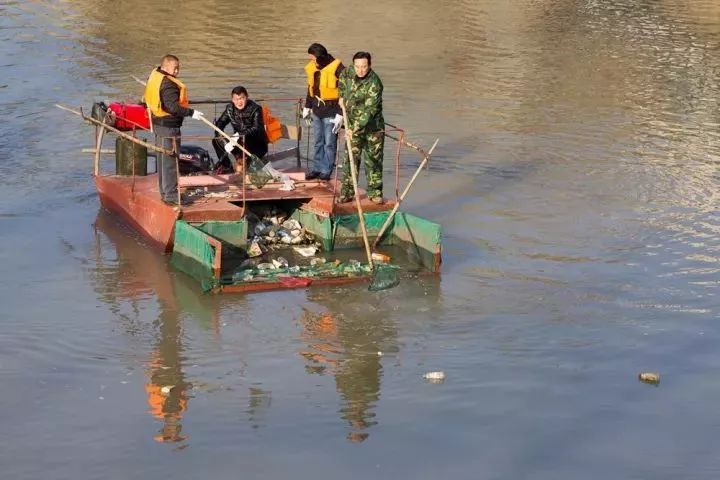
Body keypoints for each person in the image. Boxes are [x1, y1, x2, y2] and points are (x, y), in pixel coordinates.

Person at [144, 54, 205, 204]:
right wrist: (191, 113)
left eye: (178, 68)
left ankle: (165, 192)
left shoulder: (156, 76)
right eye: (175, 68)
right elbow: (172, 107)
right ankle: (171, 196)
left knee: (162, 160)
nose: (177, 71)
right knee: (170, 161)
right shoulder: (169, 84)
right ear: (165, 67)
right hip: (168, 127)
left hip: (158, 124)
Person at [338, 51, 384, 204]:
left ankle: (375, 192)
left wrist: (352, 129)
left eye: (364, 67)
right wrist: (341, 96)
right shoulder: (348, 72)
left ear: (369, 66)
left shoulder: (375, 83)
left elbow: (368, 112)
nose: (360, 70)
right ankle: (347, 192)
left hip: (372, 129)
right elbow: (342, 79)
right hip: (352, 125)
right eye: (357, 66)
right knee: (350, 160)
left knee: (373, 161)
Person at [303, 43, 345, 181]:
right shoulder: (313, 68)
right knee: (318, 141)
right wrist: (307, 106)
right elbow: (311, 88)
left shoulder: (338, 68)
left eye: (314, 58)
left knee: (329, 143)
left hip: (331, 111)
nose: (312, 61)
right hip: (316, 109)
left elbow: (345, 93)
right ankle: (317, 168)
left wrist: (340, 113)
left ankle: (326, 170)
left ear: (320, 57)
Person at [212, 86, 268, 173]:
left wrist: (239, 135)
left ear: (247, 97)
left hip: (256, 144)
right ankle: (227, 166)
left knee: (247, 167)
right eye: (236, 99)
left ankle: (246, 165)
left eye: (242, 98)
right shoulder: (230, 109)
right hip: (237, 142)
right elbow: (220, 123)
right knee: (216, 140)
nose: (239, 102)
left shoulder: (256, 109)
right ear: (233, 100)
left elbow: (257, 128)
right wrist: (222, 136)